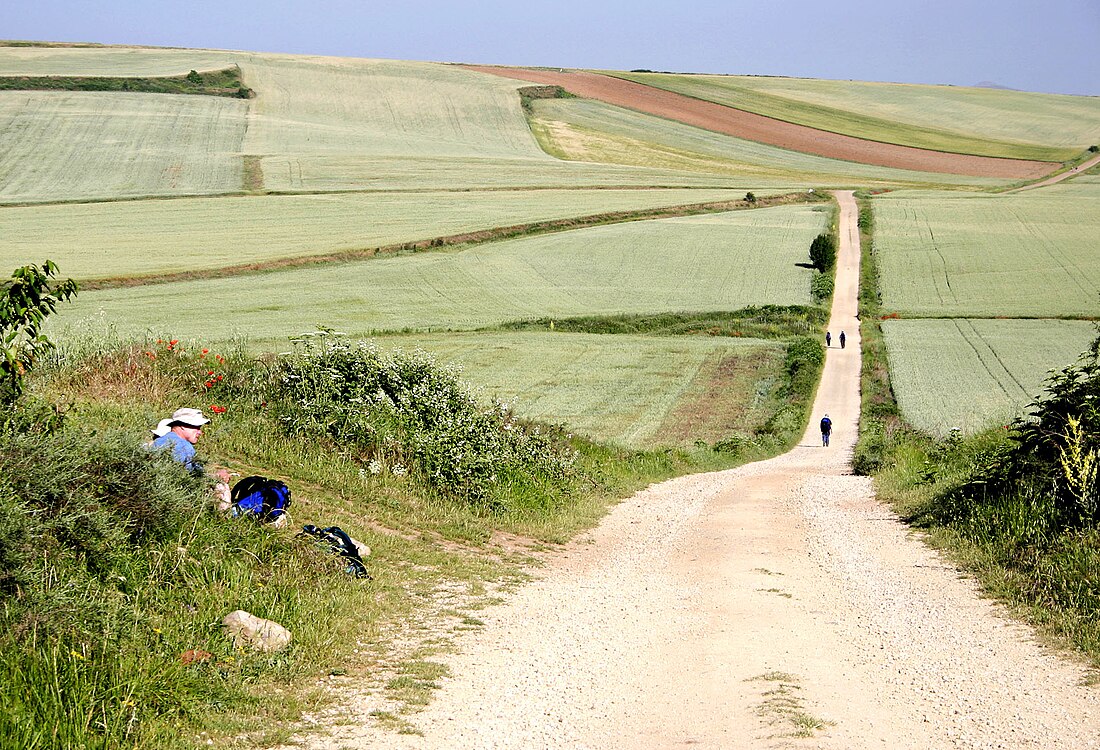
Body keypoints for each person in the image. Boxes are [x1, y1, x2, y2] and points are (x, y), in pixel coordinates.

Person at [152, 407, 233, 507]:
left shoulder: (159, 441)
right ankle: (223, 519)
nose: (200, 432)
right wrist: (217, 476)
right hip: (174, 497)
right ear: (182, 426)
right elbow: (194, 478)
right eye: (196, 427)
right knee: (221, 486)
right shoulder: (184, 447)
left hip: (155, 490)